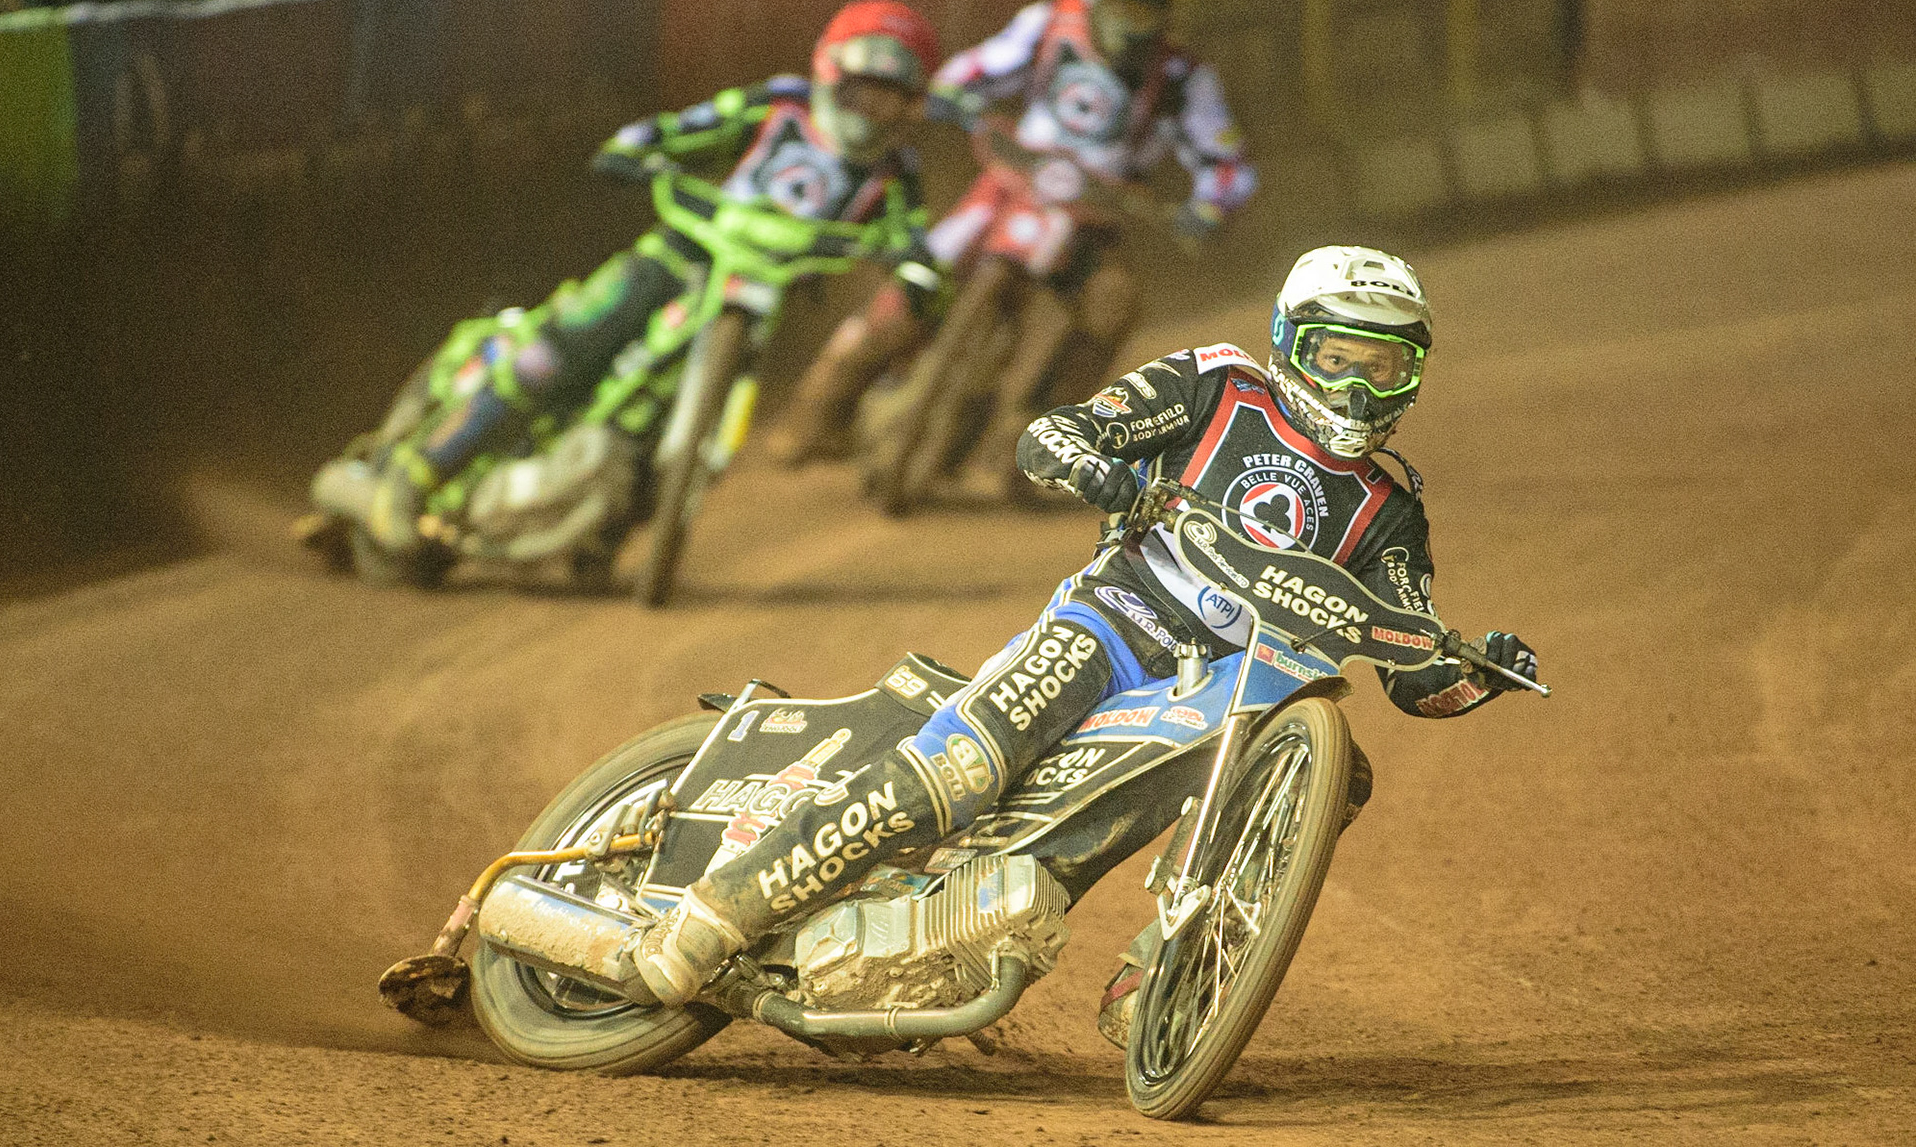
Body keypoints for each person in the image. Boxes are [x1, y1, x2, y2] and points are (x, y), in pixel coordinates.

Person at [630, 245, 1541, 1040]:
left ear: (1414, 375)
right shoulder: (1218, 383)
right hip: (1115, 620)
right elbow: (1053, 434)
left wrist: (1477, 673)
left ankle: (1163, 975)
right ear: (1288, 342)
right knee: (963, 772)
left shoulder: (1392, 509)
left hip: (1228, 691)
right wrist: (1104, 474)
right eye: (1335, 358)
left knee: (1336, 772)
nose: (1354, 388)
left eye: (1384, 368)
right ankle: (724, 906)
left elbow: (1412, 669)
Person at [364, 0, 946, 554]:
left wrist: (918, 271)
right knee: (561, 348)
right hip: (677, 256)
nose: (870, 112)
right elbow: (683, 128)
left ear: (911, 108)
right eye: (862, 92)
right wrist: (637, 147)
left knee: (670, 411)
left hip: (760, 295)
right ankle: (414, 475)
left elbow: (912, 234)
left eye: (889, 101)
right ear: (830, 74)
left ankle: (609, 524)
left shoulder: (895, 173)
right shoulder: (774, 108)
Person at [767, 0, 1257, 473]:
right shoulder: (1048, 25)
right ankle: (821, 406)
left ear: (1169, 13)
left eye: (1143, 9)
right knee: (921, 272)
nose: (1127, 22)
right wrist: (952, 95)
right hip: (1009, 185)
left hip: (1092, 215)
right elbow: (976, 69)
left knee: (1113, 302)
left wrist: (1210, 207)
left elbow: (1227, 164)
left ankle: (1043, 440)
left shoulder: (1185, 78)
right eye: (1117, 3)